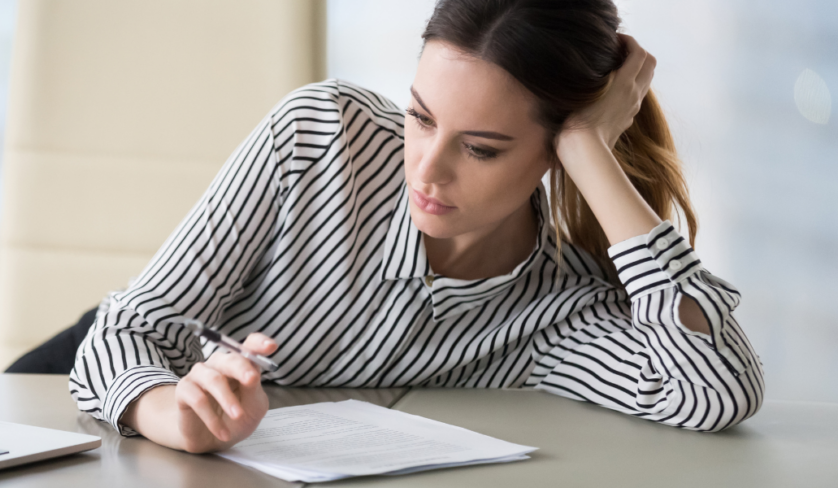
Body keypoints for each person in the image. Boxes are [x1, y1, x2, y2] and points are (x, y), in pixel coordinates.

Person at [68, 0, 764, 453]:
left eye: (481, 148)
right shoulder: (321, 136)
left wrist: (591, 150)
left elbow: (715, 391)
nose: (426, 171)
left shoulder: (559, 311)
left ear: (554, 152)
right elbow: (122, 336)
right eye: (420, 117)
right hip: (119, 400)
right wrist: (171, 416)